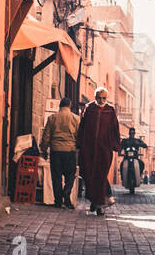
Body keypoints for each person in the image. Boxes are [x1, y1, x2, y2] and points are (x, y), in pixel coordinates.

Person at [76, 86, 121, 215]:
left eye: (104, 98)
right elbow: (82, 127)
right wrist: (80, 143)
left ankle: (100, 204)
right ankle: (94, 202)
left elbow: (115, 129)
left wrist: (115, 145)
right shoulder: (89, 108)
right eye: (99, 98)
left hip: (103, 149)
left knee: (100, 176)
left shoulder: (110, 110)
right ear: (95, 97)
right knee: (88, 175)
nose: (101, 100)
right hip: (89, 148)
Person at [39, 97, 80, 209]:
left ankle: (58, 201)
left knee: (56, 176)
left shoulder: (52, 118)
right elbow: (79, 136)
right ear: (70, 106)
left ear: (60, 106)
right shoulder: (76, 119)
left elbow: (46, 136)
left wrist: (43, 149)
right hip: (70, 151)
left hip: (55, 150)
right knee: (70, 175)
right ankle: (66, 192)